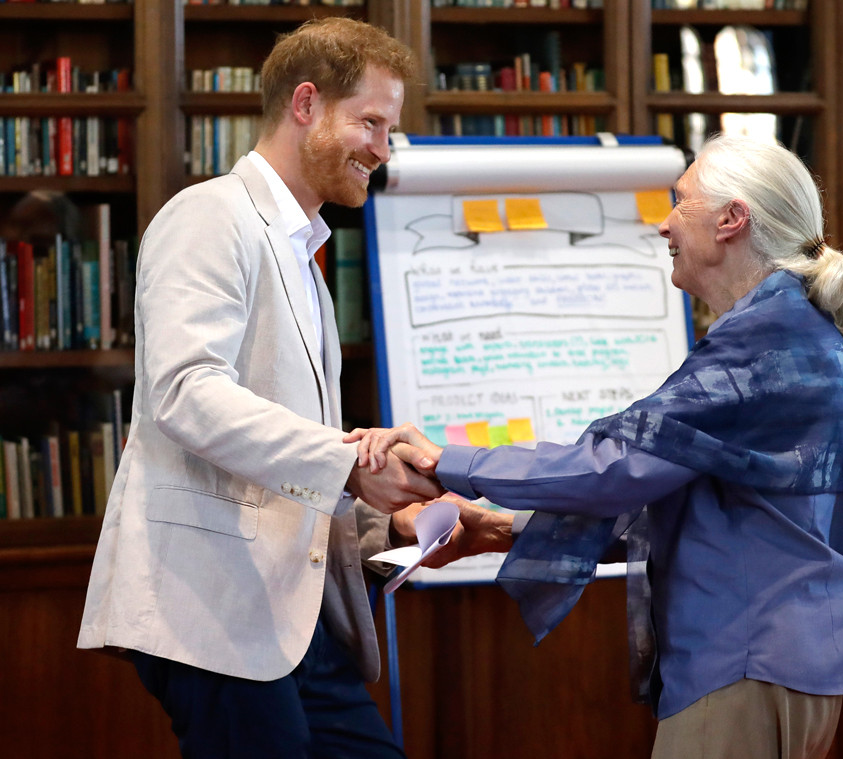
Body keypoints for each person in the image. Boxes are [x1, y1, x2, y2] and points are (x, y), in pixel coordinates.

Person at [348, 134, 843, 759]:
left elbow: (612, 467)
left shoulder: (765, 343)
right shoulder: (787, 330)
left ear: (731, 219)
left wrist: (449, 461)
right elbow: (680, 495)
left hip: (747, 653)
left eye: (679, 203)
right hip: (782, 651)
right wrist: (502, 526)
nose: (663, 224)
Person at [77, 17, 510, 759]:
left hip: (291, 616)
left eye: (389, 127)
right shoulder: (210, 215)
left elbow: (282, 474)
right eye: (370, 121)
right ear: (305, 104)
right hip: (211, 609)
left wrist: (393, 529)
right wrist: (354, 465)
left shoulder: (303, 251)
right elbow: (184, 392)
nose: (383, 147)